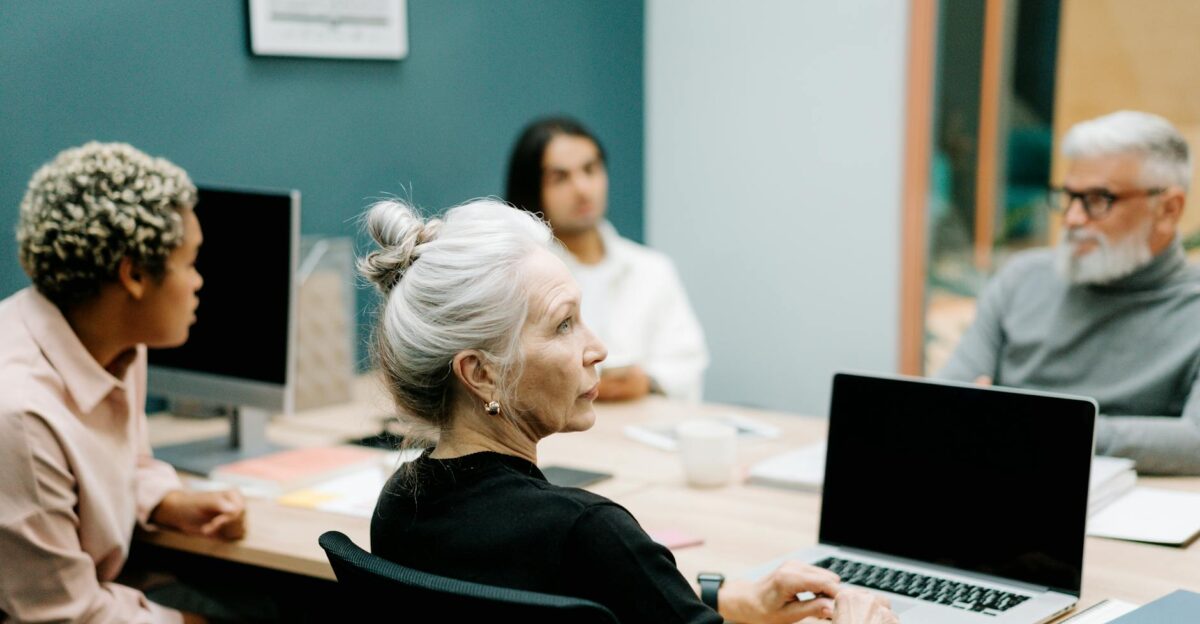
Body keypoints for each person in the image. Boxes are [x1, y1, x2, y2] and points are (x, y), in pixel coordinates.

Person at [363, 198, 897, 624]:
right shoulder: (587, 533)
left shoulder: (397, 509)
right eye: (564, 325)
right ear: (480, 373)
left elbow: (613, 601)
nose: (598, 348)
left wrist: (724, 599)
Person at [0, 142, 246, 623]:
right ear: (133, 275)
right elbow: (63, 617)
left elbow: (121, 461)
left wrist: (167, 501)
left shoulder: (111, 344)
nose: (199, 282)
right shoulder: (21, 416)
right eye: (191, 262)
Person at [938, 110, 1200, 475]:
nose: (1073, 219)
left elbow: (1195, 441)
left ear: (1168, 209)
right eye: (1069, 196)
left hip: (1126, 503)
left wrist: (1046, 427)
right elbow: (946, 398)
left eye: (1098, 199)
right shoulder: (1022, 278)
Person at [505, 117, 709, 402]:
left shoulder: (652, 269)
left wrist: (646, 382)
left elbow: (686, 361)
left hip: (644, 428)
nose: (582, 188)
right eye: (560, 177)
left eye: (590, 169)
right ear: (533, 189)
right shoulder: (518, 277)